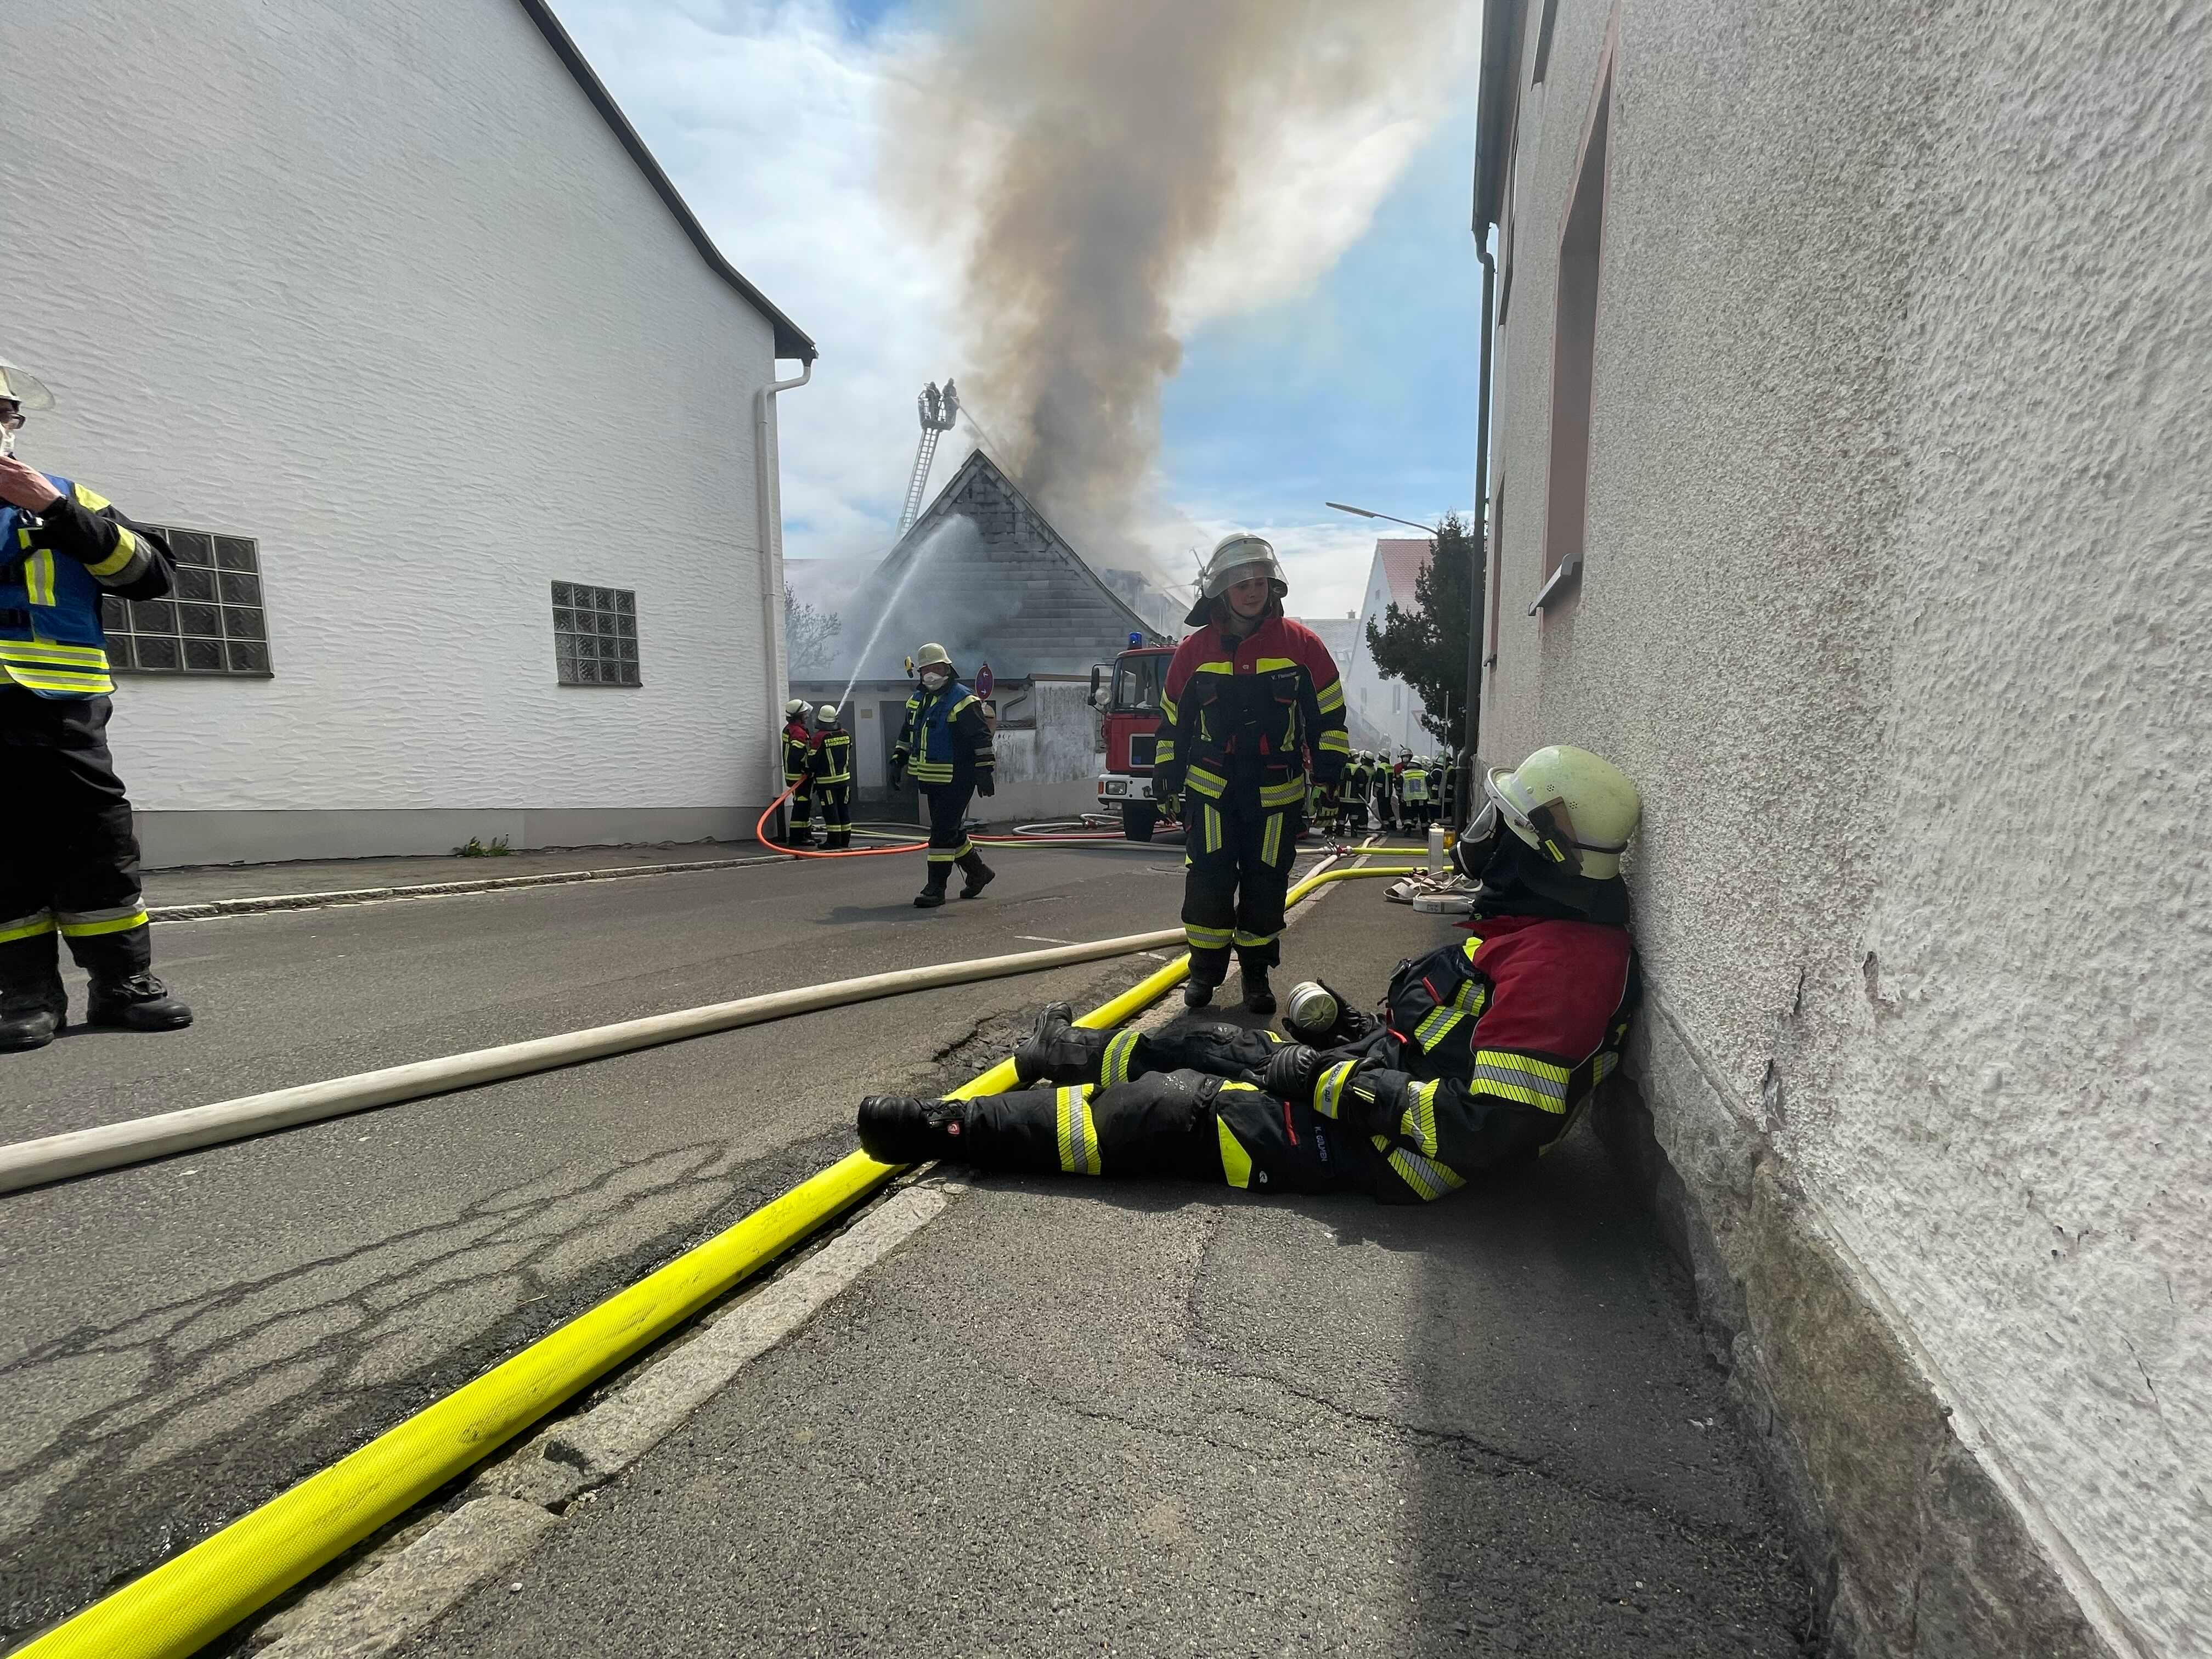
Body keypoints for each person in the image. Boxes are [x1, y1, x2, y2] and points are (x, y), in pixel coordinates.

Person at [857, 745, 1644, 1203]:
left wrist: (1335, 1083)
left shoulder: (1564, 966)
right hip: (1387, 1084)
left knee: (1178, 1113)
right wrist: (1353, 1035)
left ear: (1539, 852)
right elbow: (1456, 1043)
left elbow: (1486, 1132)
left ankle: (948, 1129)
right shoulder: (1544, 932)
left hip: (1404, 1154)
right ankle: (1063, 1055)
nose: (1482, 844)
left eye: (1497, 829)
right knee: (1215, 1045)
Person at [0, 356, 193, 1051]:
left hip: (64, 708)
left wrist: (55, 510)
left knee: (97, 845)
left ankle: (120, 984)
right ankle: (23, 992)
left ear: (14, 424)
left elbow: (152, 576)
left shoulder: (66, 495)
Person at [1150, 534, 1347, 1015]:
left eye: (1260, 581)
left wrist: (1330, 779)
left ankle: (1256, 978)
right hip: (1211, 790)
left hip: (1275, 793)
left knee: (1266, 884)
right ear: (1220, 590)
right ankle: (1204, 973)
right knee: (1209, 882)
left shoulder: (1304, 646)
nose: (1253, 591)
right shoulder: (1193, 653)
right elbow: (1172, 723)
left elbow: (1329, 720)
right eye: (1242, 584)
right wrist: (1165, 778)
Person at [889, 642, 995, 908]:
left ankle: (935, 888)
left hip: (958, 778)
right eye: (926, 669)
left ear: (947, 668)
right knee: (950, 831)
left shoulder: (963, 700)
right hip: (930, 779)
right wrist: (897, 760)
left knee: (940, 834)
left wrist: (984, 771)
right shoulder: (917, 700)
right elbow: (907, 734)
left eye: (936, 668)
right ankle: (979, 872)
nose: (931, 674)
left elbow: (980, 738)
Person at [811, 703, 853, 850]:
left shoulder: (819, 738)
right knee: (844, 809)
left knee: (831, 811)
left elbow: (812, 761)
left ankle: (834, 841)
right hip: (844, 780)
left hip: (826, 782)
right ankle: (845, 841)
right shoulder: (846, 734)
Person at [779, 699, 816, 848]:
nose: (807, 715)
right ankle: (797, 838)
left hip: (794, 775)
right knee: (801, 806)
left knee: (804, 804)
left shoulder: (790, 729)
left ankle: (806, 834)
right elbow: (798, 753)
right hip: (799, 776)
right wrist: (808, 766)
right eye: (804, 714)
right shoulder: (798, 732)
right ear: (798, 716)